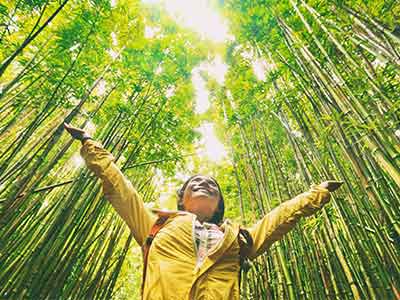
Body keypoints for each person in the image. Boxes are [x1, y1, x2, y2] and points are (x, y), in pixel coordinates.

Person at [64, 123, 343, 300]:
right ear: (182, 200)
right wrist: (89, 143)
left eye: (211, 184)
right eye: (194, 183)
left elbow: (279, 217)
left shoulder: (238, 239)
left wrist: (318, 193)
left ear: (219, 204)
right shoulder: (154, 224)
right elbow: (118, 186)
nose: (203, 183)